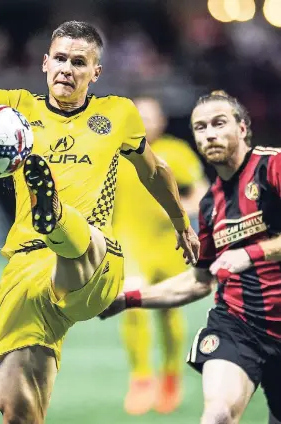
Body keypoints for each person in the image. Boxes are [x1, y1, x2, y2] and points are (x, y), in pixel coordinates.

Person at [0, 21, 199, 424]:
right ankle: (51, 217)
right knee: (18, 408)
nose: (67, 69)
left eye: (79, 62)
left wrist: (182, 222)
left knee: (74, 236)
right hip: (26, 270)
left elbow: (155, 171)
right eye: (60, 58)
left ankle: (52, 214)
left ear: (96, 72)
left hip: (97, 262)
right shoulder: (14, 108)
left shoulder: (118, 114)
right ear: (44, 63)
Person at [100, 90, 281, 424]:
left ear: (242, 128)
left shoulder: (273, 166)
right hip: (238, 326)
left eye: (219, 123)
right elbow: (199, 282)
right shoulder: (212, 206)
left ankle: (168, 377)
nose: (209, 133)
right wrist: (127, 300)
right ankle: (143, 379)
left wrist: (252, 253)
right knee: (217, 415)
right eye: (200, 127)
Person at [113, 96, 208, 415]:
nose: (145, 122)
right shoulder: (115, 152)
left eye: (151, 116)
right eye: (139, 116)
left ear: (162, 121)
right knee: (132, 307)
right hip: (129, 246)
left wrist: (182, 211)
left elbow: (201, 191)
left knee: (169, 313)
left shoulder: (175, 152)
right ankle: (140, 379)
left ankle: (170, 378)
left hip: (169, 247)